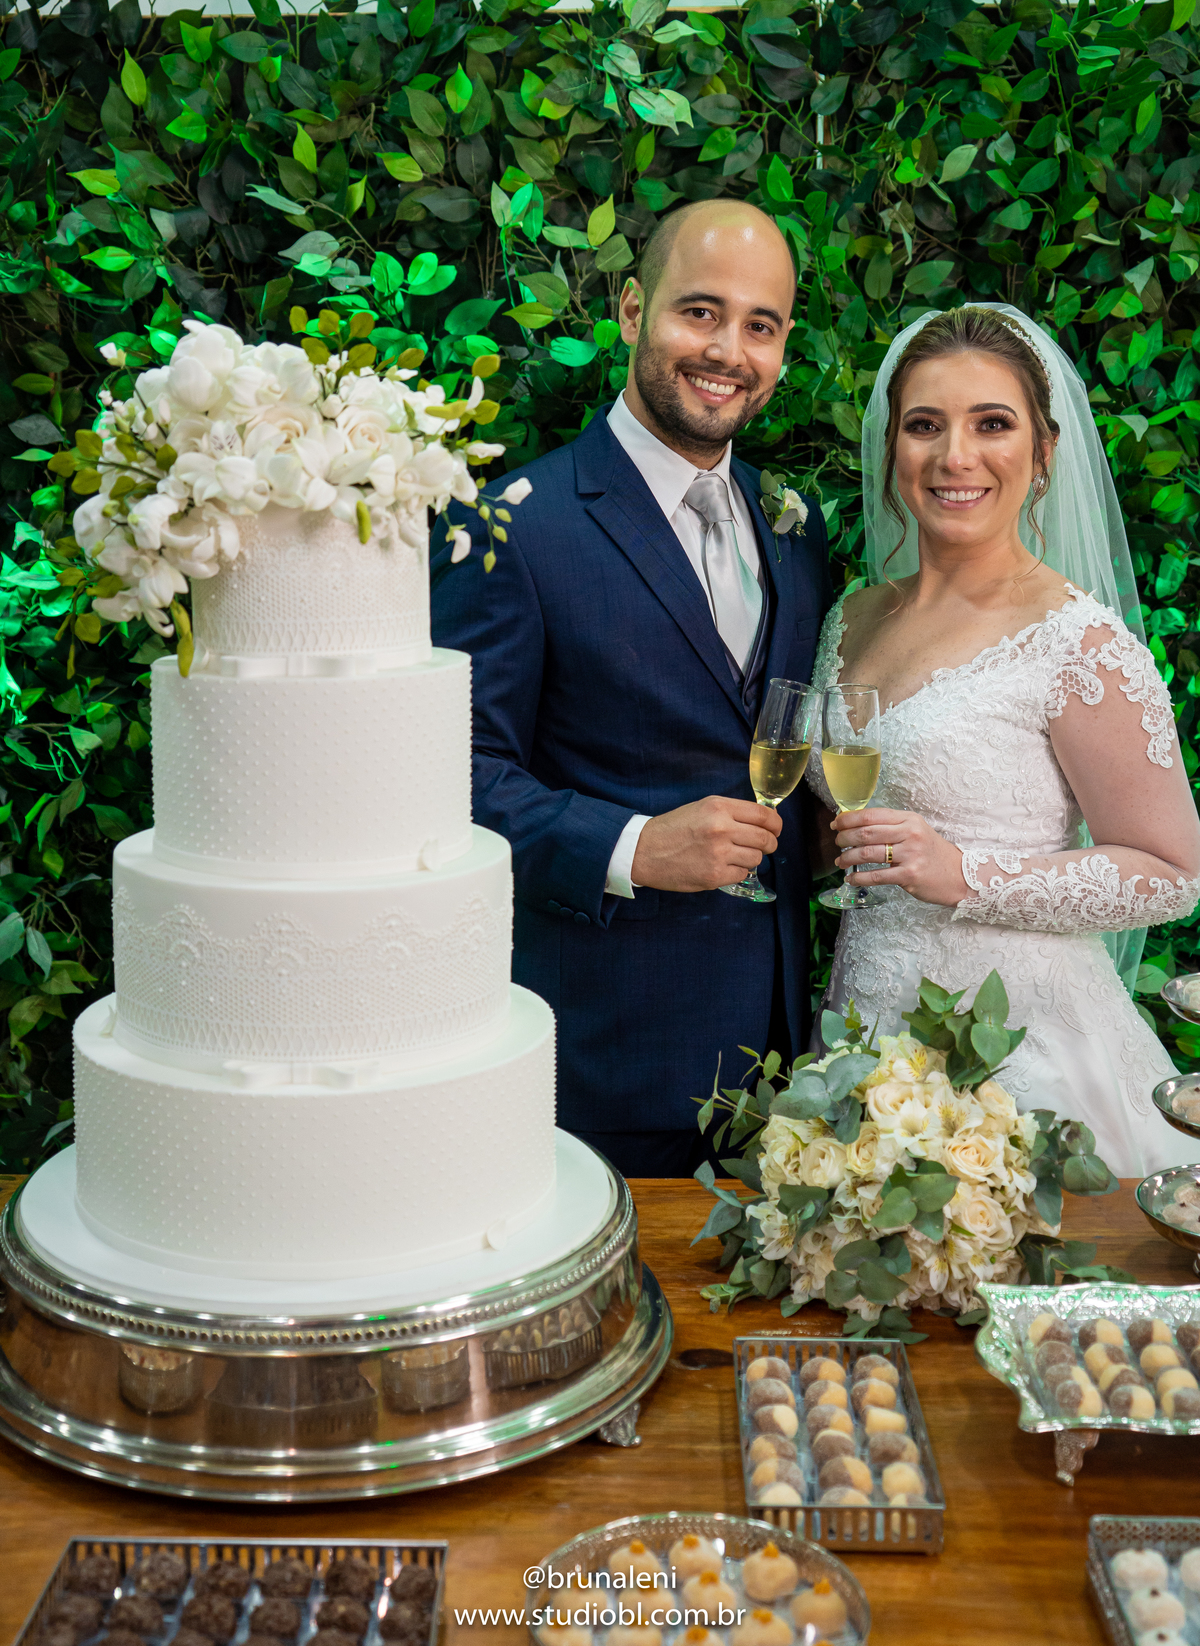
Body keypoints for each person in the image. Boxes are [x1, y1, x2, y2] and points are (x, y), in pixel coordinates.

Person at [430, 198, 832, 1177]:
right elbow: (447, 776)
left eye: (761, 326)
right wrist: (635, 847)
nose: (729, 349)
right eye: (700, 311)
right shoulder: (514, 529)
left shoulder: (797, 526)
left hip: (784, 1067)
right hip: (606, 1066)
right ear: (628, 310)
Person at [806, 302, 1200, 1176]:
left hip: (1023, 1055)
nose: (956, 456)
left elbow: (1173, 873)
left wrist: (967, 875)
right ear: (891, 449)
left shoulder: (1078, 645)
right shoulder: (854, 615)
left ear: (1045, 452)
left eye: (993, 424)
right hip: (864, 1037)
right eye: (924, 426)